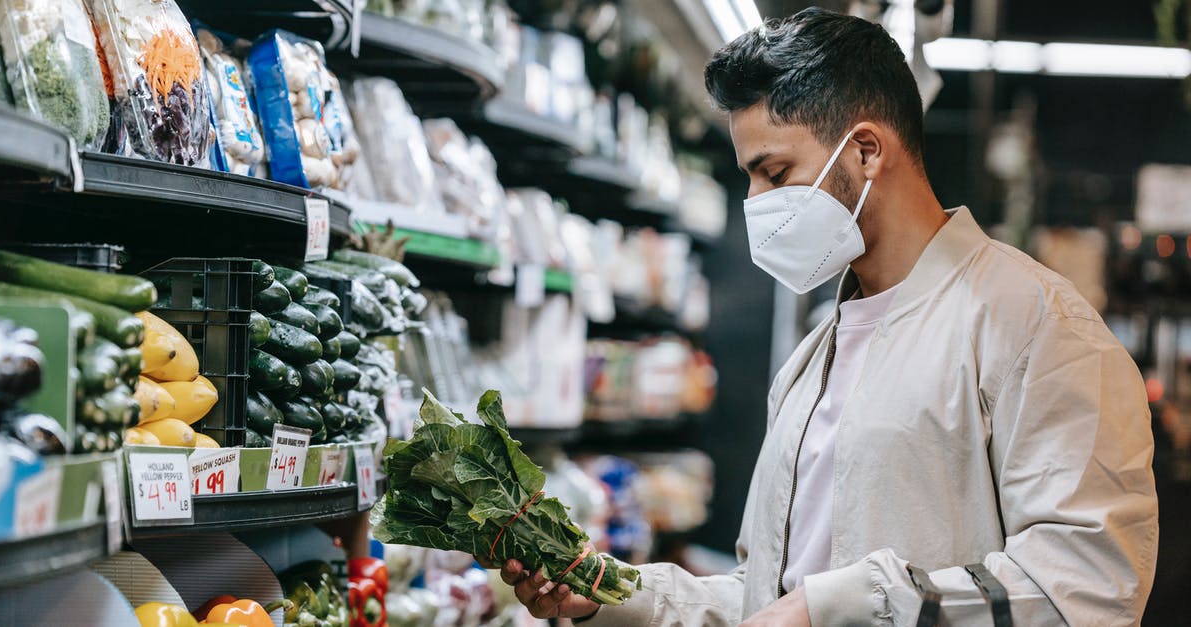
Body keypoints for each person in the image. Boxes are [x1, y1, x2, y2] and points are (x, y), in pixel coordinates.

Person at [494, 7, 1159, 625]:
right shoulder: (812, 359)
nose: (754, 202)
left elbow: (1087, 587)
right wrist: (611, 594)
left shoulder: (1037, 326)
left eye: (774, 173)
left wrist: (837, 604)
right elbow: (770, 595)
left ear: (866, 150)